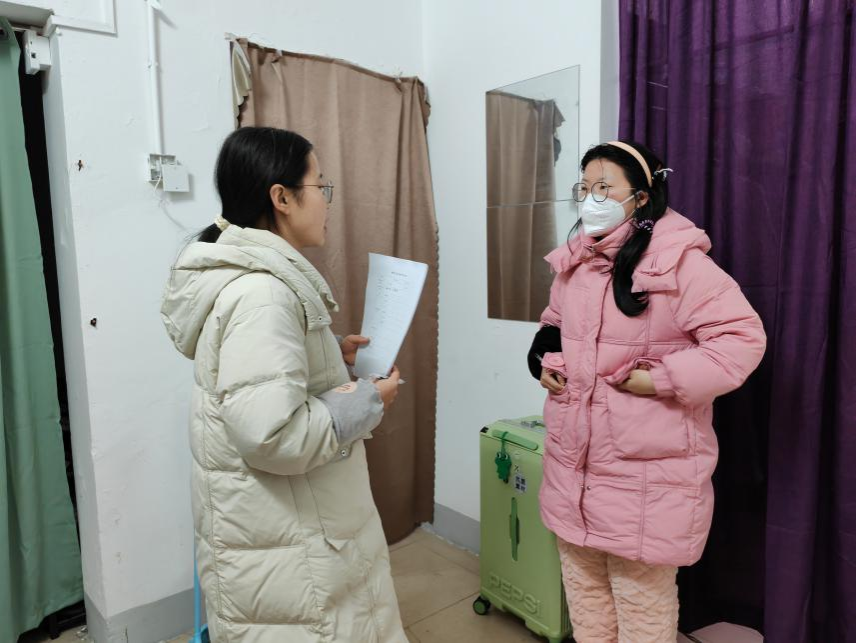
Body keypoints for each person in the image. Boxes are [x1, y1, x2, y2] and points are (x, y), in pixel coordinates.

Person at [161, 127, 407, 642]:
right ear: (282, 198)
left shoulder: (250, 281)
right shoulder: (264, 294)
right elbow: (274, 436)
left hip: (279, 531)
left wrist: (327, 355)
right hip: (293, 552)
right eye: (321, 186)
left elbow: (256, 379)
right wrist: (368, 398)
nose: (327, 201)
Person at [528, 141, 766, 643]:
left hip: (645, 478)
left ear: (640, 196)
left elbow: (741, 340)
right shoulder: (576, 262)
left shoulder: (680, 263)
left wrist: (660, 379)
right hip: (574, 469)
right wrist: (544, 362)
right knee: (586, 600)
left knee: (643, 610)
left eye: (603, 187)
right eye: (584, 188)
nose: (591, 199)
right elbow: (554, 326)